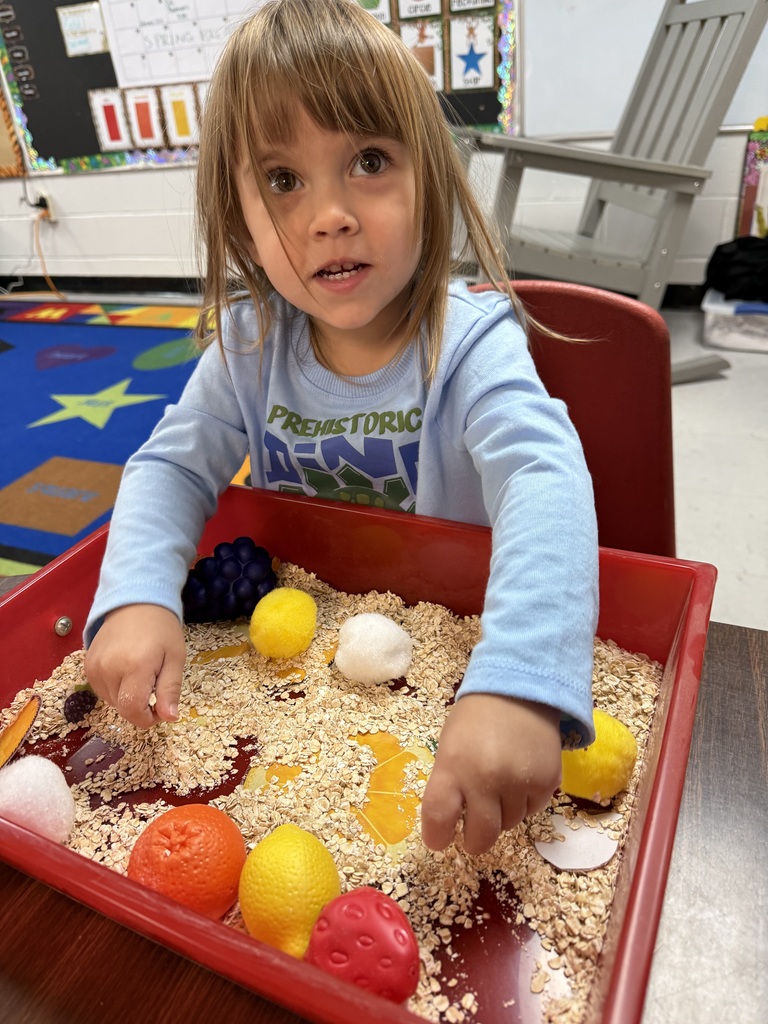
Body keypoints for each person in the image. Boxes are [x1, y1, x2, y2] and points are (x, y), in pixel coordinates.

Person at [84, 0, 598, 857]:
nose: (331, 215)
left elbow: (545, 479)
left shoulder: (469, 345)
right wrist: (137, 595)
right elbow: (170, 469)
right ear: (238, 214)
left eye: (367, 161)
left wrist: (521, 682)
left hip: (448, 640)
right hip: (289, 677)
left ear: (428, 176)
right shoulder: (247, 346)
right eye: (284, 180)